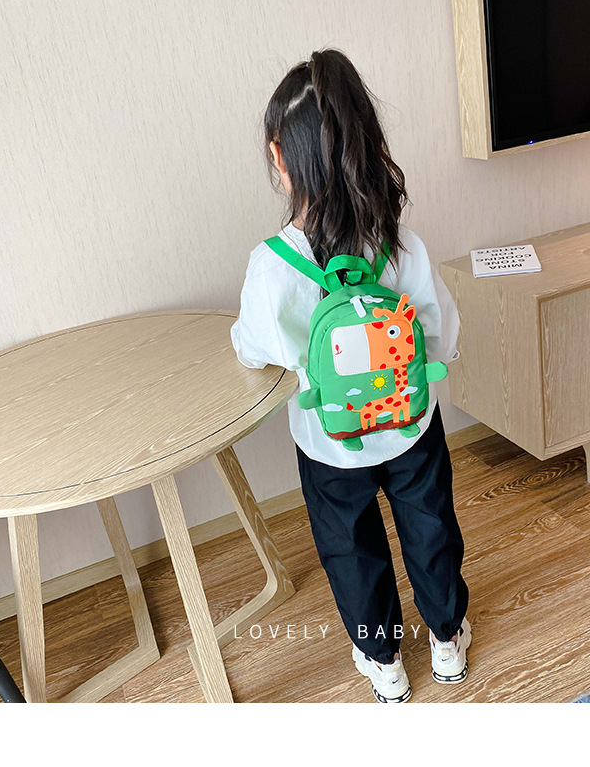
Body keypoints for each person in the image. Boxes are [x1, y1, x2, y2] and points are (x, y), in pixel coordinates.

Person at [230, 49, 470, 703]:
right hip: (412, 426)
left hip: (330, 444)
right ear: (366, 145)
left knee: (351, 548)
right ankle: (447, 640)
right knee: (430, 528)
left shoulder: (273, 266)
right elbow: (442, 334)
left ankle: (384, 661)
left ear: (280, 159)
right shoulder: (399, 243)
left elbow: (253, 348)